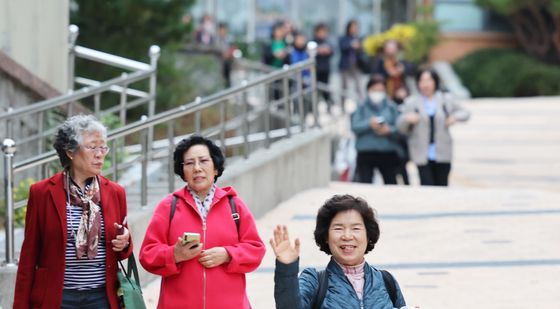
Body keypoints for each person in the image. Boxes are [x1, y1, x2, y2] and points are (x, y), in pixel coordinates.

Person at [14, 115, 132, 309]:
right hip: (58, 297)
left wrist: (125, 241)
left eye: (103, 147)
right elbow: (28, 257)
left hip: (101, 297)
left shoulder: (114, 192)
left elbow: (123, 251)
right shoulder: (42, 192)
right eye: (92, 147)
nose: (100, 154)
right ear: (70, 151)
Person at [139, 135, 265, 308]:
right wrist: (175, 255)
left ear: (215, 168)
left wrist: (228, 254)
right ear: (182, 171)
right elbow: (147, 255)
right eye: (189, 163)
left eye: (203, 161)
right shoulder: (169, 207)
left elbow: (256, 249)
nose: (197, 168)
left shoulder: (235, 206)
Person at [271, 194, 407, 308]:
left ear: (368, 235)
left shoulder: (386, 281)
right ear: (326, 236)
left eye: (356, 228)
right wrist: (287, 269)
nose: (347, 236)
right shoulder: (314, 281)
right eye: (338, 228)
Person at [397, 69, 470, 186]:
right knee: (426, 186)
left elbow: (465, 113)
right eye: (422, 80)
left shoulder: (446, 99)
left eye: (429, 80)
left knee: (442, 185)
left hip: (442, 151)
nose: (425, 84)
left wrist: (454, 117)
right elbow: (400, 126)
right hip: (421, 152)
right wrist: (407, 119)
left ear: (435, 82)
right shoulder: (412, 102)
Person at [351, 75, 402, 184]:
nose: (377, 93)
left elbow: (400, 129)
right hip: (366, 153)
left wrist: (388, 130)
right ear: (368, 90)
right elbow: (354, 126)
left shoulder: (391, 107)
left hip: (387, 152)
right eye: (374, 90)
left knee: (391, 185)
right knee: (364, 186)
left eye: (380, 90)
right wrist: (369, 123)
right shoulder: (361, 106)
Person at [339, 20, 364, 110]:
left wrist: (359, 47)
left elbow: (362, 51)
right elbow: (342, 47)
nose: (354, 29)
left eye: (356, 27)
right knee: (344, 87)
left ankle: (361, 105)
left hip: (356, 66)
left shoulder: (359, 38)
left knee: (359, 87)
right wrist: (351, 45)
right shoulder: (344, 38)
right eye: (353, 27)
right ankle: (342, 107)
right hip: (346, 66)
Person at [313, 23, 334, 112]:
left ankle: (329, 104)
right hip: (315, 69)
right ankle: (313, 107)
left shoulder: (328, 41)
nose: (322, 34)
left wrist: (327, 51)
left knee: (326, 88)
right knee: (315, 89)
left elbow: (332, 52)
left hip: (325, 69)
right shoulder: (313, 42)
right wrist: (318, 51)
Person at [216, 22, 235, 87]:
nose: (224, 32)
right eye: (223, 30)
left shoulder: (228, 39)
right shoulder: (215, 40)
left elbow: (231, 49)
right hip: (218, 63)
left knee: (227, 80)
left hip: (227, 63)